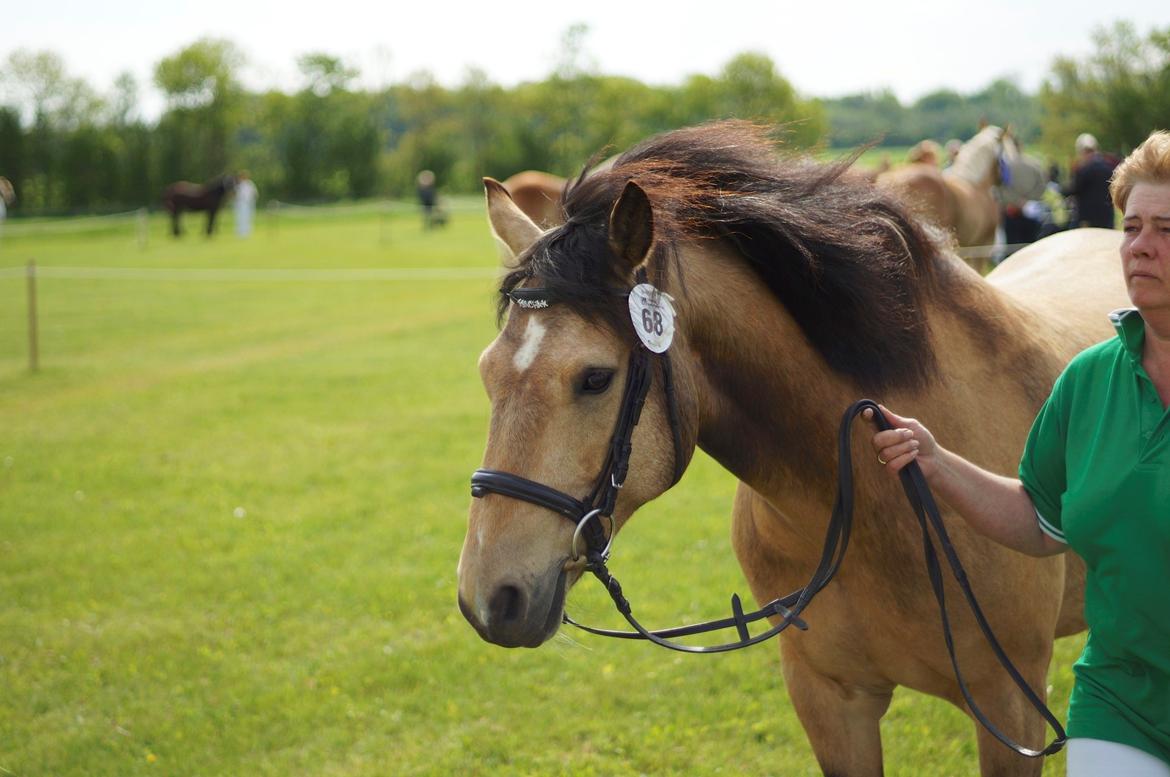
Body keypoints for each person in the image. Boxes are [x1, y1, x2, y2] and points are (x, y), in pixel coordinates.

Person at [867, 130, 1170, 776]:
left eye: (1165, 230)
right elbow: (1039, 517)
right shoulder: (1090, 379)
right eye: (1133, 226)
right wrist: (938, 461)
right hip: (1121, 707)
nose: (1141, 245)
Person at [1064, 133, 1119, 229]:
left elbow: (1074, 189)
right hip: (1107, 216)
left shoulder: (1083, 169)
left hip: (1087, 218)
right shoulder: (1108, 167)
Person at [233, 171, 258, 237]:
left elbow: (254, 193)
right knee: (240, 218)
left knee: (248, 217)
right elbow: (235, 195)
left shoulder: (250, 184)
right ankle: (240, 232)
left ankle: (246, 232)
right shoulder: (238, 185)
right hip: (240, 203)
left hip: (248, 203)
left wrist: (252, 200)